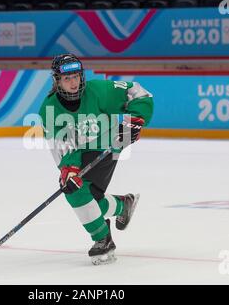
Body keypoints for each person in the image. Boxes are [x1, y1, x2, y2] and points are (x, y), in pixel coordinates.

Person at [39, 54, 154, 265]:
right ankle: (122, 205)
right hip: (78, 153)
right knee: (76, 189)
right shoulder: (49, 109)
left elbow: (139, 93)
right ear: (57, 81)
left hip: (107, 144)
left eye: (76, 77)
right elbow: (60, 147)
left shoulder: (100, 91)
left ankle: (102, 239)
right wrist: (69, 169)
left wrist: (136, 119)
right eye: (67, 79)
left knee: (79, 194)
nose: (73, 83)